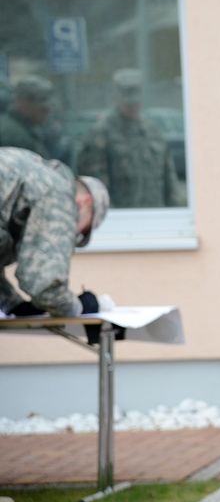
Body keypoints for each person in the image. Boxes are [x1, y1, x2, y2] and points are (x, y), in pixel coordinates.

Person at [1, 147, 110, 318]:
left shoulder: (31, 172)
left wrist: (14, 304)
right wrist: (78, 307)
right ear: (85, 202)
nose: (75, 235)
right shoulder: (59, 194)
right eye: (84, 229)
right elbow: (45, 286)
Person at [77, 68, 183, 208]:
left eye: (136, 102)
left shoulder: (152, 132)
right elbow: (97, 190)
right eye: (128, 103)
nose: (133, 107)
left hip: (156, 218)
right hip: (123, 221)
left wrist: (173, 213)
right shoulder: (101, 134)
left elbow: (169, 181)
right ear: (116, 98)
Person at [0, 75, 58, 159]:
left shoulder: (23, 128)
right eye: (42, 107)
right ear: (24, 104)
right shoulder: (14, 136)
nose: (47, 111)